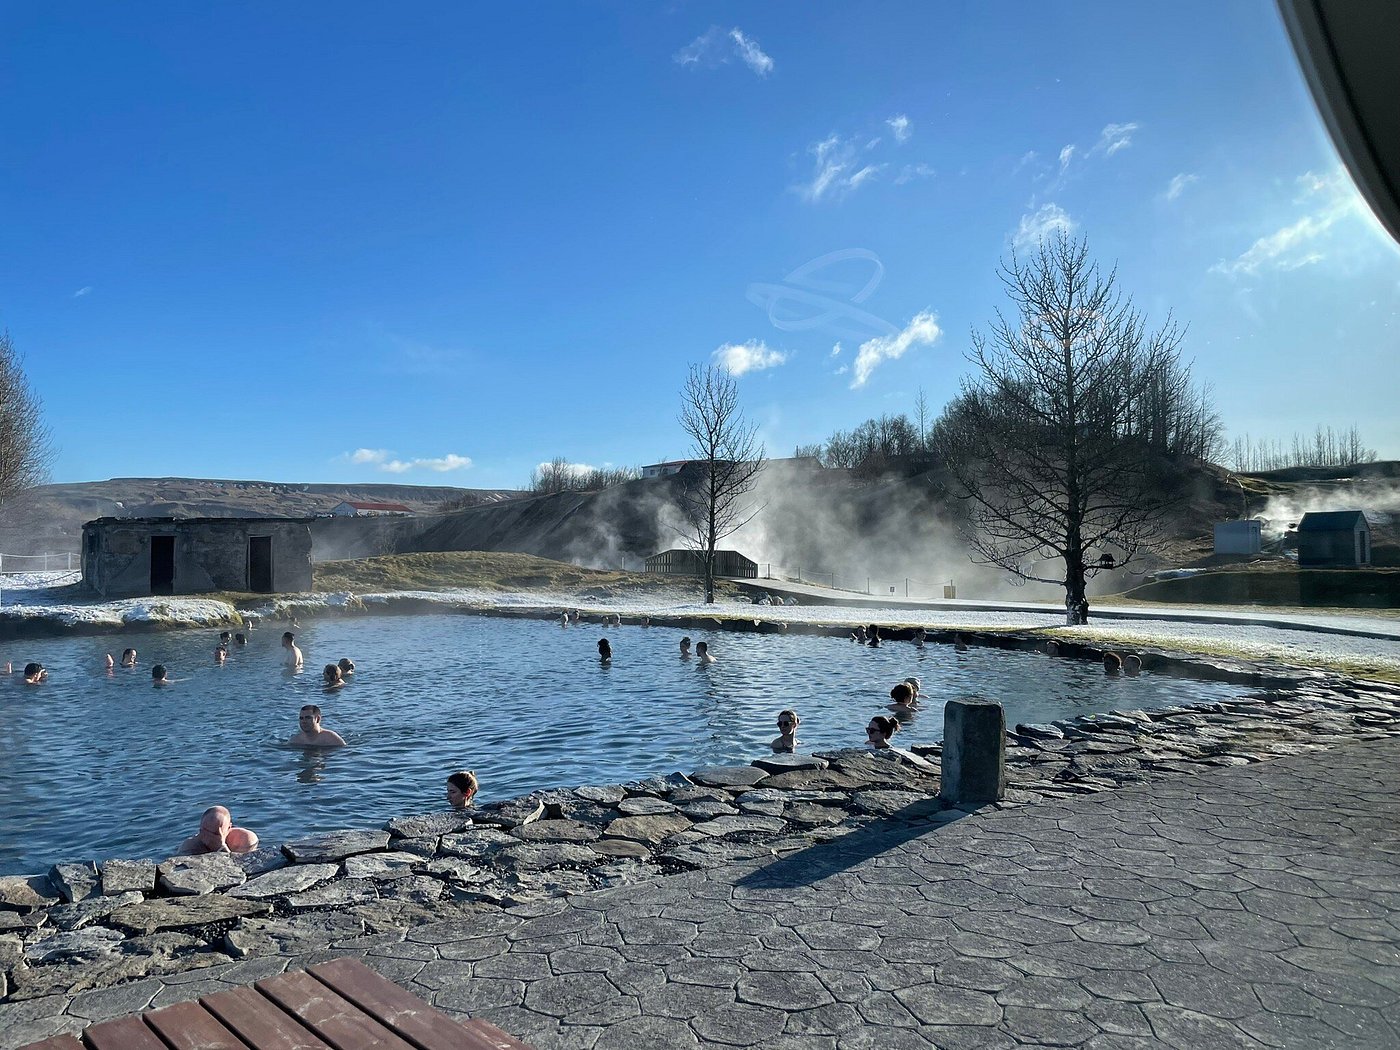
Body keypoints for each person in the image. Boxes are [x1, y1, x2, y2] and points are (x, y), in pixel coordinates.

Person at [178, 805, 259, 855]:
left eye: (216, 834)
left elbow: (239, 869)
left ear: (229, 828)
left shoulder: (243, 839)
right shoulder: (189, 846)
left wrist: (221, 848)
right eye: (205, 831)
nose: (209, 838)